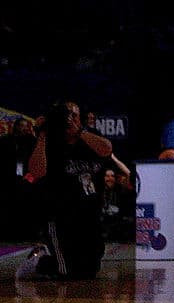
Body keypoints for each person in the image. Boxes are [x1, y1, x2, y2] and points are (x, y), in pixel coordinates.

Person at [17, 101, 113, 280]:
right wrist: (43, 135)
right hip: (60, 213)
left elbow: (106, 150)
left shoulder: (88, 137)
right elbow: (37, 171)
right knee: (66, 271)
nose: (69, 119)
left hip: (90, 212)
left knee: (91, 269)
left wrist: (79, 132)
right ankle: (39, 260)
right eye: (65, 116)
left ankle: (49, 258)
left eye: (74, 115)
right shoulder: (49, 140)